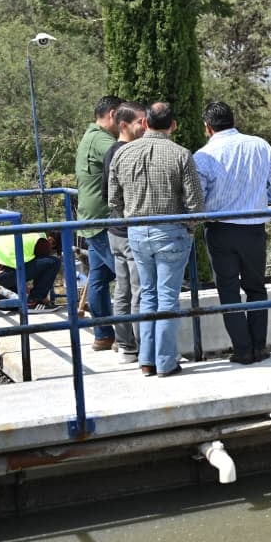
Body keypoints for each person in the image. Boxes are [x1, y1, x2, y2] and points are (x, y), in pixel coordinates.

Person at [107, 101, 205, 377]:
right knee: (167, 298)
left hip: (137, 232)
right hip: (171, 232)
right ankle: (165, 361)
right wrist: (189, 227)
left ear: (146, 123)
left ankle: (146, 360)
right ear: (173, 125)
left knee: (147, 295)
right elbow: (196, 204)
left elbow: (113, 199)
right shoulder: (181, 154)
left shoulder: (122, 154)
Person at [195, 101, 271, 365]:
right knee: (256, 288)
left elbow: (197, 199)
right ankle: (260, 347)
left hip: (220, 229)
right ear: (233, 120)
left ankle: (243, 350)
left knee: (228, 291)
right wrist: (267, 199)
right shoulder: (259, 145)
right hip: (254, 229)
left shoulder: (202, 155)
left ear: (208, 127)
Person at [75, 95, 123, 351]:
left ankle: (104, 334)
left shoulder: (91, 136)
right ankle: (129, 336)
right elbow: (125, 156)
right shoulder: (102, 139)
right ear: (113, 114)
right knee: (128, 274)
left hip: (92, 218)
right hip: (103, 220)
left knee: (99, 277)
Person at [100, 101, 146, 363]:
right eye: (140, 121)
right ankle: (139, 347)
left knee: (124, 289)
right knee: (135, 289)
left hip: (116, 229)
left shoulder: (113, 152)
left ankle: (126, 345)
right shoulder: (123, 152)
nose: (144, 126)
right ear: (124, 124)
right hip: (126, 231)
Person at [0, 232, 60, 312]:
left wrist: (28, 292)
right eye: (54, 250)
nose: (51, 252)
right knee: (54, 262)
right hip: (0, 275)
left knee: (19, 300)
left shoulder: (27, 233)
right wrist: (41, 297)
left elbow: (18, 266)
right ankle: (33, 302)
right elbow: (37, 270)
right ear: (51, 241)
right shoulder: (42, 242)